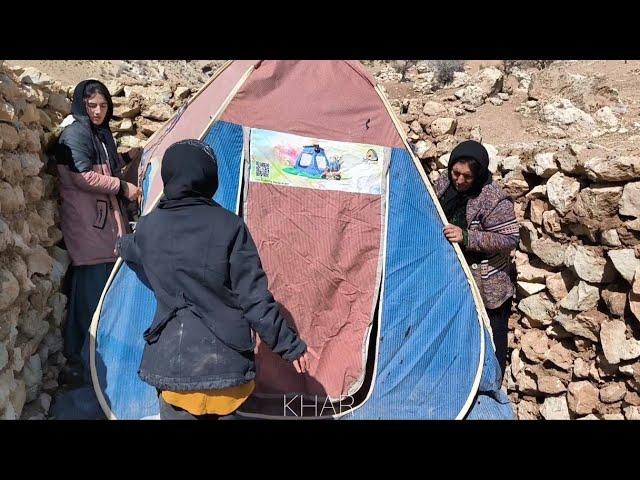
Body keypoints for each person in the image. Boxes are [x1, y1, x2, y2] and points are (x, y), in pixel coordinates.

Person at [117, 139, 316, 420]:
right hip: (227, 371)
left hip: (174, 368)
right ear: (209, 177)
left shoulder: (150, 227)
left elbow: (134, 249)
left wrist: (120, 245)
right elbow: (254, 300)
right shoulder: (230, 226)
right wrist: (290, 345)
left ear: (169, 175)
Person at [54, 79, 142, 386]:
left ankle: (92, 359)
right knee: (91, 293)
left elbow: (109, 166)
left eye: (103, 105)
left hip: (102, 224)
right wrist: (123, 186)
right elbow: (82, 176)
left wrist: (131, 158)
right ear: (81, 104)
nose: (98, 111)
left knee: (100, 290)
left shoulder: (100, 134)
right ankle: (81, 360)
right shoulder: (75, 132)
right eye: (91, 105)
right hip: (87, 223)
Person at [435, 140, 519, 378]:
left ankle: (491, 382)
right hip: (449, 274)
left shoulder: (493, 199)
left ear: (479, 174)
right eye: (455, 173)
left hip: (485, 281)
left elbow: (510, 238)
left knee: (490, 333)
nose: (459, 181)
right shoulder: (444, 183)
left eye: (467, 177)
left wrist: (467, 237)